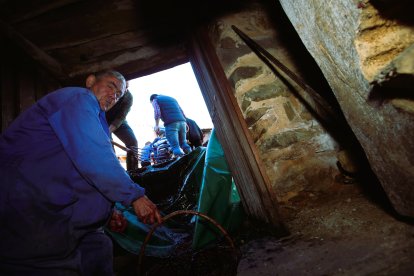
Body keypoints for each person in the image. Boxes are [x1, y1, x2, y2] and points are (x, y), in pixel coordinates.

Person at [0, 70, 161, 275]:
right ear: (90, 81)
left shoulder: (96, 119)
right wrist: (135, 196)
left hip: (58, 213)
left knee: (99, 247)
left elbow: (83, 169)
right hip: (26, 206)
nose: (114, 95)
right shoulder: (77, 98)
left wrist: (107, 211)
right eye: (111, 86)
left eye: (119, 95)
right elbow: (93, 155)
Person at [106, 86, 138, 170]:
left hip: (119, 121)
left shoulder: (128, 97)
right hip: (102, 118)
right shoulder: (107, 90)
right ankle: (113, 171)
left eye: (126, 87)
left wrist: (109, 130)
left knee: (132, 142)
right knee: (108, 145)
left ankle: (133, 172)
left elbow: (121, 117)